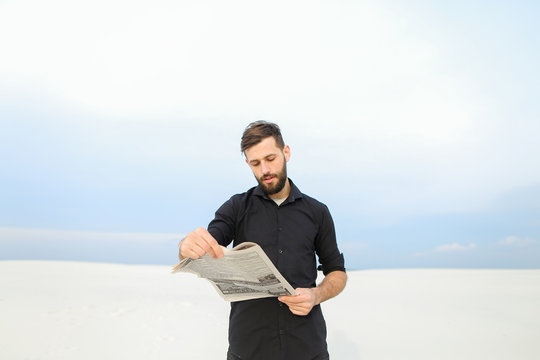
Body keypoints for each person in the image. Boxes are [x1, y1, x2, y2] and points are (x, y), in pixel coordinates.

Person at [178, 121, 347, 360]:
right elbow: (206, 246)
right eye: (256, 163)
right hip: (248, 349)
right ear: (248, 164)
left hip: (307, 347)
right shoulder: (236, 207)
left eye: (271, 158)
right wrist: (187, 247)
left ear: (286, 152)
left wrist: (316, 295)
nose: (265, 169)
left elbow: (337, 272)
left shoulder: (317, 212)